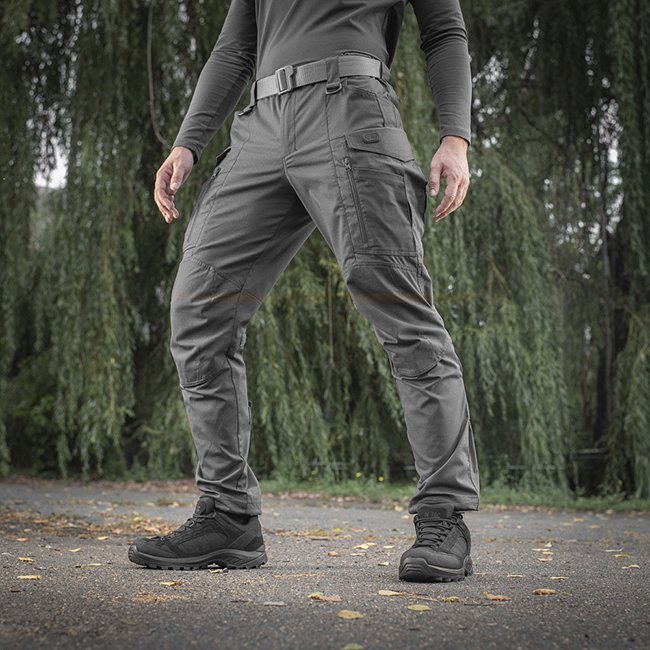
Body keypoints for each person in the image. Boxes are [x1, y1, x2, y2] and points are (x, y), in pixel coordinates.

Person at [128, 0, 480, 583]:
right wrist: (188, 141)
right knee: (198, 307)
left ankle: (444, 515)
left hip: (351, 107)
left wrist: (455, 136)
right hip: (260, 126)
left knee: (402, 312)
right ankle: (228, 514)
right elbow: (235, 48)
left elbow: (444, 31)